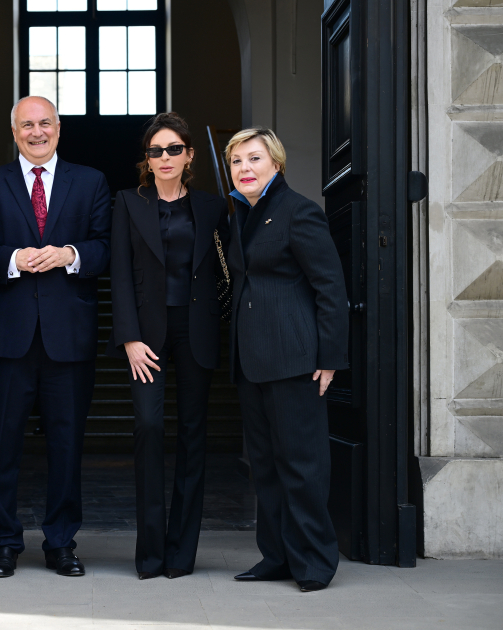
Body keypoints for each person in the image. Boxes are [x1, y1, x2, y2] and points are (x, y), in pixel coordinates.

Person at [0, 96, 112, 578]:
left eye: (44, 123)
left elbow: (106, 247)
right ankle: (3, 543)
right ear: (14, 132)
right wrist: (12, 260)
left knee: (66, 448)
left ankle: (61, 543)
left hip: (68, 338)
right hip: (8, 339)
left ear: (58, 128)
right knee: (2, 447)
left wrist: (70, 254)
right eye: (26, 125)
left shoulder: (90, 181)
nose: (36, 132)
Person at [106, 113, 230, 580]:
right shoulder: (128, 202)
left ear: (189, 155)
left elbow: (227, 268)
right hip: (147, 334)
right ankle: (151, 553)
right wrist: (129, 338)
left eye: (174, 149)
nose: (164, 157)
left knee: (193, 436)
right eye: (156, 151)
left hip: (196, 329)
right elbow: (119, 274)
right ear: (147, 158)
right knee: (149, 426)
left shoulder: (212, 207)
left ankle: (181, 554)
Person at [224, 128, 349, 592]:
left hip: (296, 361)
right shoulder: (242, 214)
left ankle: (314, 562)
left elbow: (330, 287)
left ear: (276, 163)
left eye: (254, 158)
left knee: (302, 467)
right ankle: (276, 557)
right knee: (266, 468)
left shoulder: (299, 212)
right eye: (237, 161)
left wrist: (330, 357)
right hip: (252, 362)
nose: (245, 168)